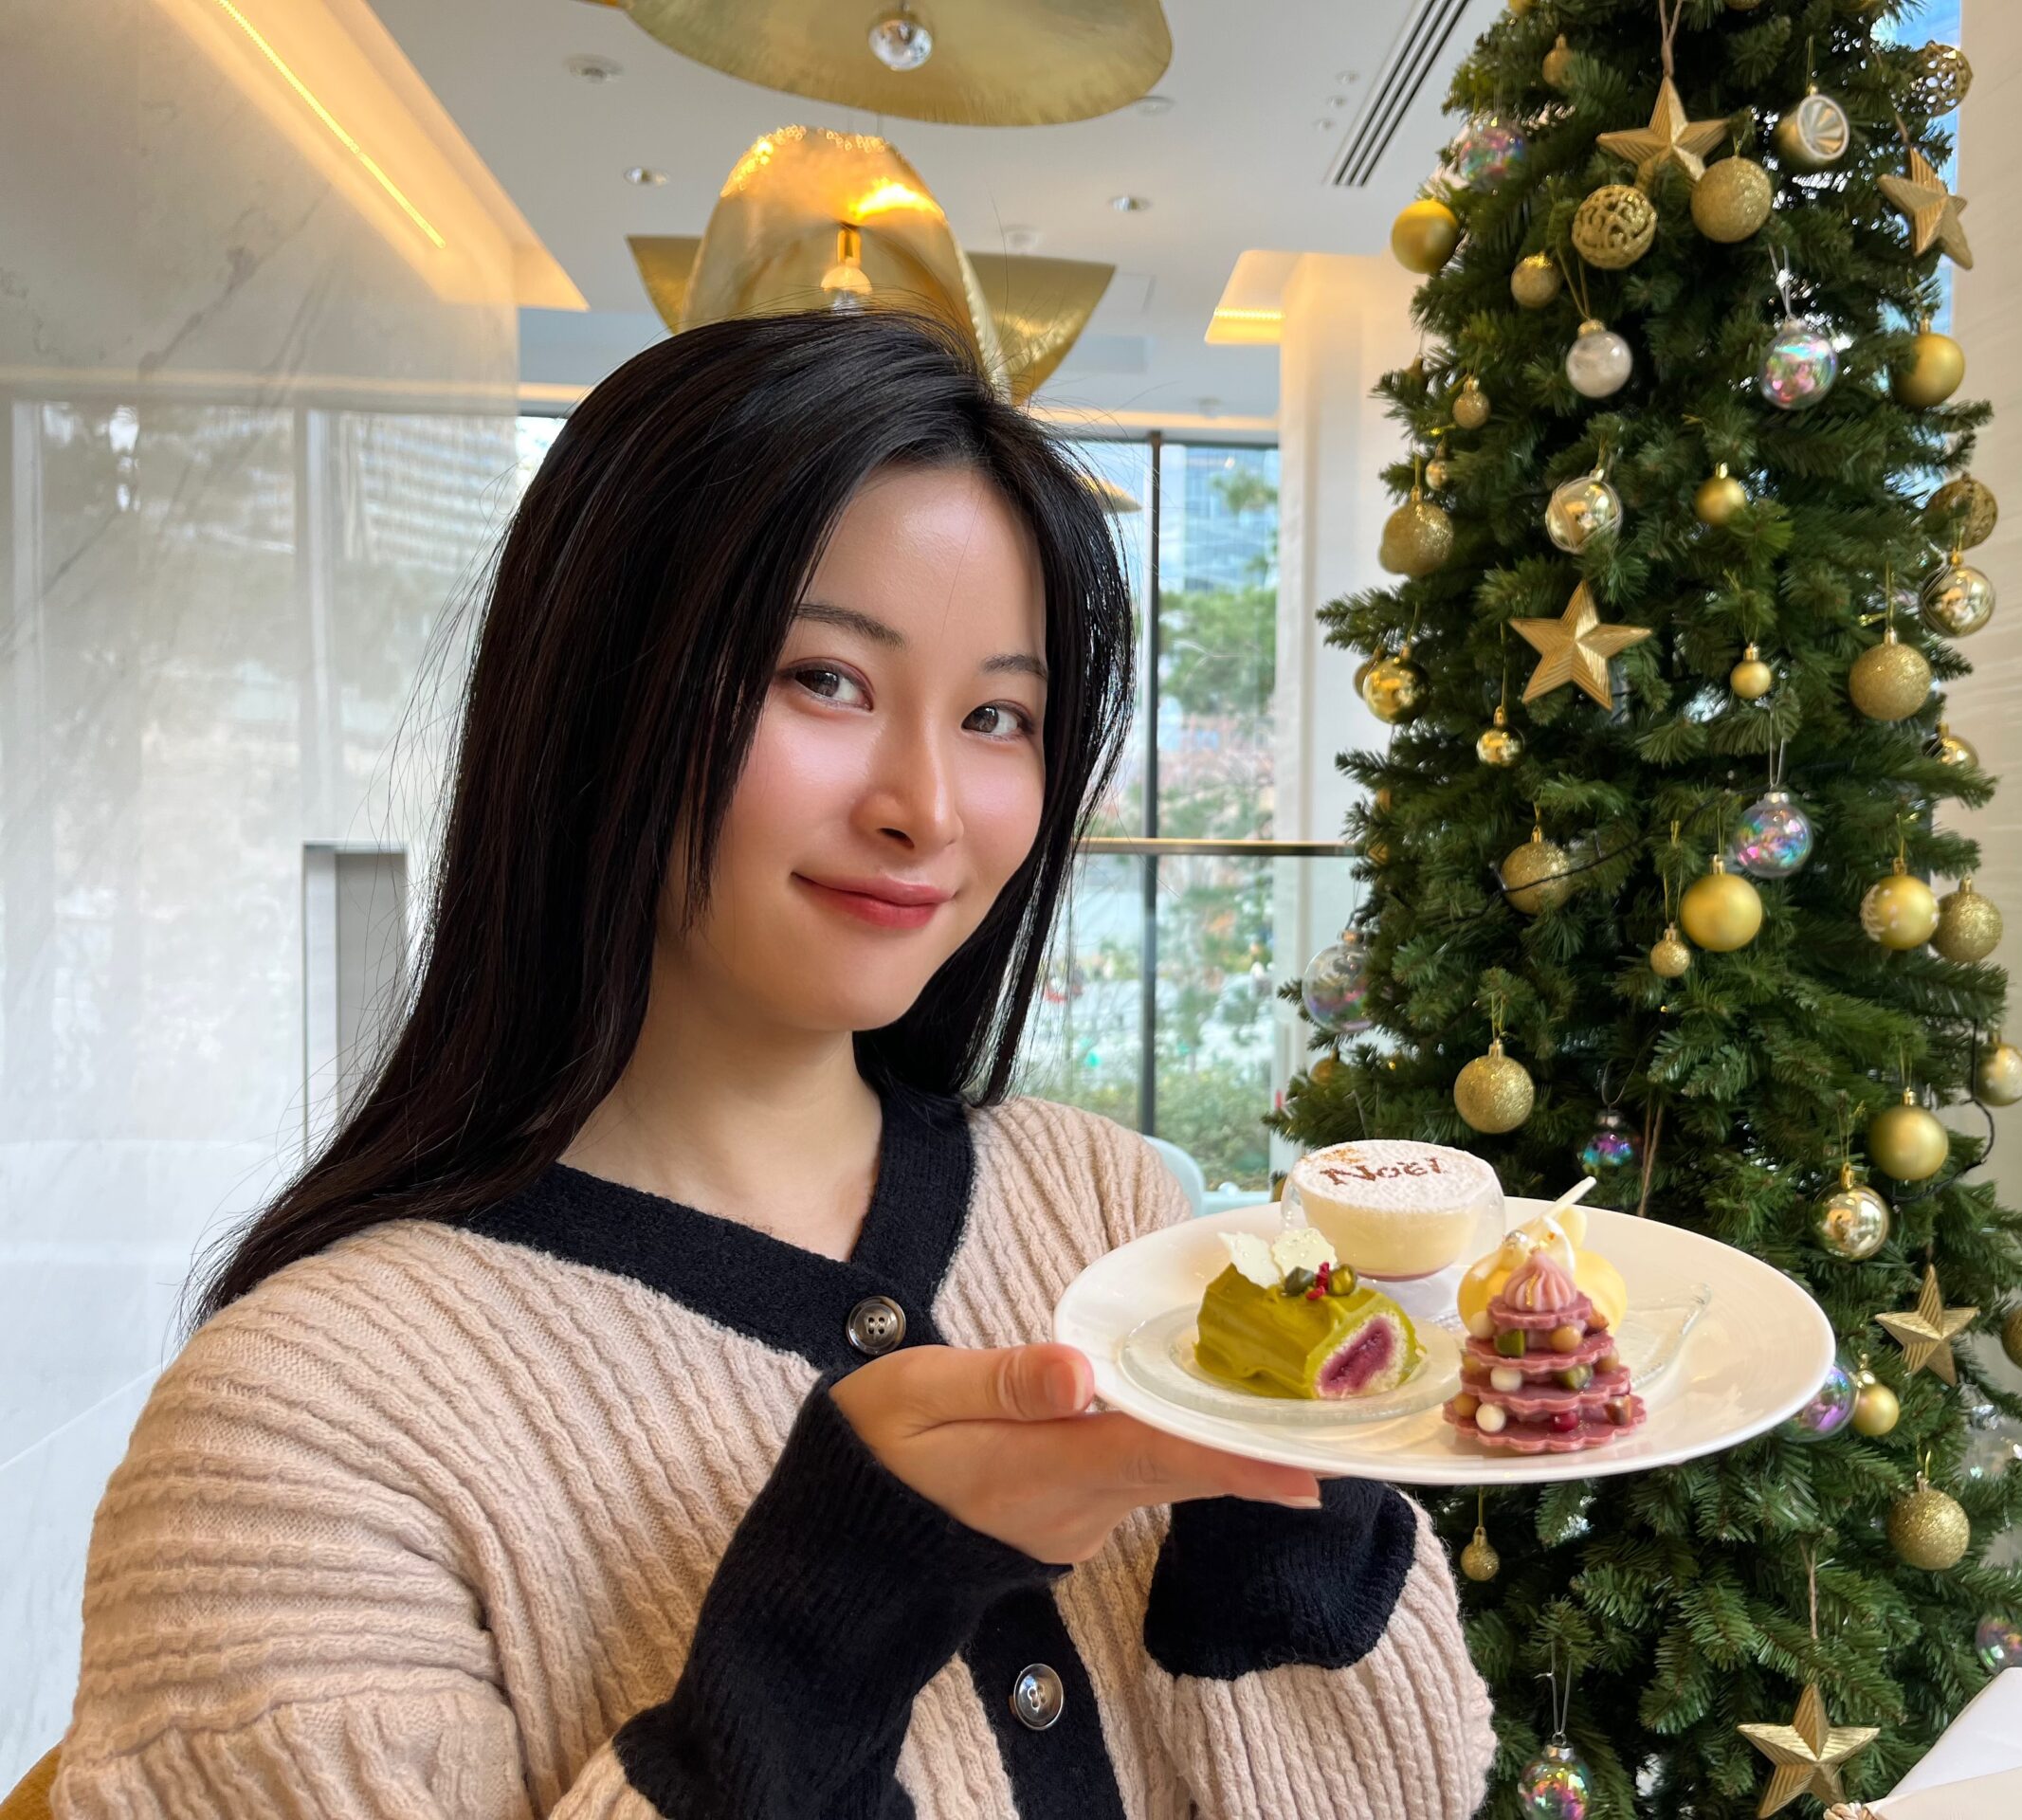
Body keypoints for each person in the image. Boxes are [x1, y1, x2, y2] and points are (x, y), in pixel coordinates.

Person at [50, 308, 1494, 1819]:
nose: (928, 807)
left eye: (997, 715)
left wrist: (1296, 1509)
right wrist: (814, 1642)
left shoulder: (1109, 1207)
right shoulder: (299, 1435)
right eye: (826, 680)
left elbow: (1406, 1789)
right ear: (595, 691)